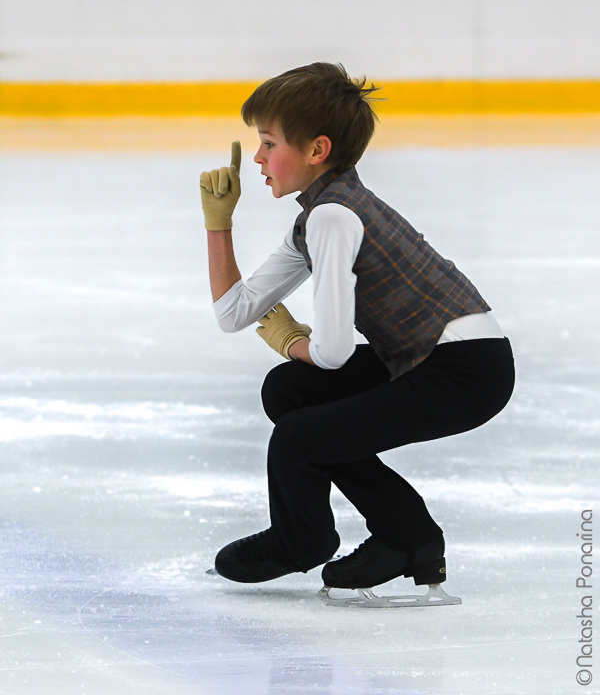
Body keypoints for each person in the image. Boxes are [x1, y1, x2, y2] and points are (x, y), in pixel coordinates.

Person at [199, 62, 515, 594]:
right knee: (291, 391)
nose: (257, 158)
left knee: (300, 436)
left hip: (463, 372)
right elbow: (236, 312)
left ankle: (302, 539)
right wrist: (218, 222)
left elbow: (333, 353)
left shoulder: (331, 218)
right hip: (434, 358)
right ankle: (407, 535)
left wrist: (292, 341)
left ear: (317, 150)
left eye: (269, 143)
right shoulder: (320, 213)